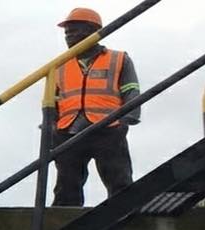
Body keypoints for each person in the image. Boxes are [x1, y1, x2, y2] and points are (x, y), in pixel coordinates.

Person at [51, 7, 141, 206]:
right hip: (69, 131)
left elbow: (131, 91)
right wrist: (52, 128)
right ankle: (64, 222)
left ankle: (125, 218)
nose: (69, 36)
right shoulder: (59, 66)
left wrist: (125, 121)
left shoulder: (119, 59)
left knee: (119, 182)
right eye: (67, 33)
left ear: (93, 31)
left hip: (108, 129)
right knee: (66, 187)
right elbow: (52, 102)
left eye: (74, 31)